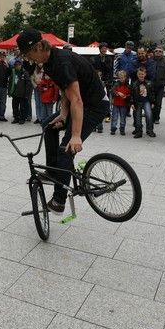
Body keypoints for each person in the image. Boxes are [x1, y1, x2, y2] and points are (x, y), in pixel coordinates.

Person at [17, 29, 109, 213]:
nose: (29, 59)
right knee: (48, 126)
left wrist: (75, 136)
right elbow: (64, 91)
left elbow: (76, 99)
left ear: (38, 47)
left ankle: (59, 201)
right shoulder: (48, 62)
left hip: (94, 106)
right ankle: (53, 172)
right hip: (80, 104)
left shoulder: (62, 62)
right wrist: (63, 114)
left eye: (28, 55)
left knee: (66, 149)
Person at [92, 43, 114, 129]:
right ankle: (98, 114)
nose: (104, 50)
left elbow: (110, 69)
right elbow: (93, 68)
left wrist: (110, 80)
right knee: (99, 98)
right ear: (100, 49)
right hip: (98, 80)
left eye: (106, 48)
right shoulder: (95, 58)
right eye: (103, 48)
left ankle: (108, 114)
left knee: (107, 97)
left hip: (107, 80)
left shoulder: (109, 58)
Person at [130, 66, 155, 138]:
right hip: (137, 102)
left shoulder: (149, 83)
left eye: (142, 74)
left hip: (146, 101)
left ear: (145, 74)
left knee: (149, 115)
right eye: (139, 74)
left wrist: (153, 102)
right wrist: (132, 103)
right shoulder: (134, 84)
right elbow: (131, 94)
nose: (141, 75)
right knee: (138, 117)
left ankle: (149, 130)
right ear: (137, 75)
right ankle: (139, 131)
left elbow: (152, 93)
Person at [153, 47, 165, 124]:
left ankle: (157, 118)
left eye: (160, 51)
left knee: (158, 103)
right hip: (151, 86)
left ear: (162, 53)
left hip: (160, 86)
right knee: (151, 102)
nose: (158, 52)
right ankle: (151, 116)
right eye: (156, 51)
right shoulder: (151, 60)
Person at [9, 59, 32, 124]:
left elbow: (28, 84)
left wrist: (27, 94)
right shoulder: (13, 72)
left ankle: (22, 119)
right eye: (16, 65)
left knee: (22, 107)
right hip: (15, 93)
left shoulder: (25, 73)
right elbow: (10, 82)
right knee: (15, 106)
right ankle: (16, 118)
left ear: (21, 65)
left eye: (19, 65)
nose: (17, 66)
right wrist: (9, 91)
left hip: (22, 93)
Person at [110, 70, 131, 136]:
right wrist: (117, 93)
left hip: (124, 104)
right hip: (116, 104)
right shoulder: (116, 84)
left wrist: (126, 97)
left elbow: (130, 94)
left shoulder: (128, 86)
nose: (121, 79)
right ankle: (113, 128)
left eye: (122, 77)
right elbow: (112, 91)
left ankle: (122, 129)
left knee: (123, 117)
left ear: (125, 77)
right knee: (114, 117)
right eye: (120, 78)